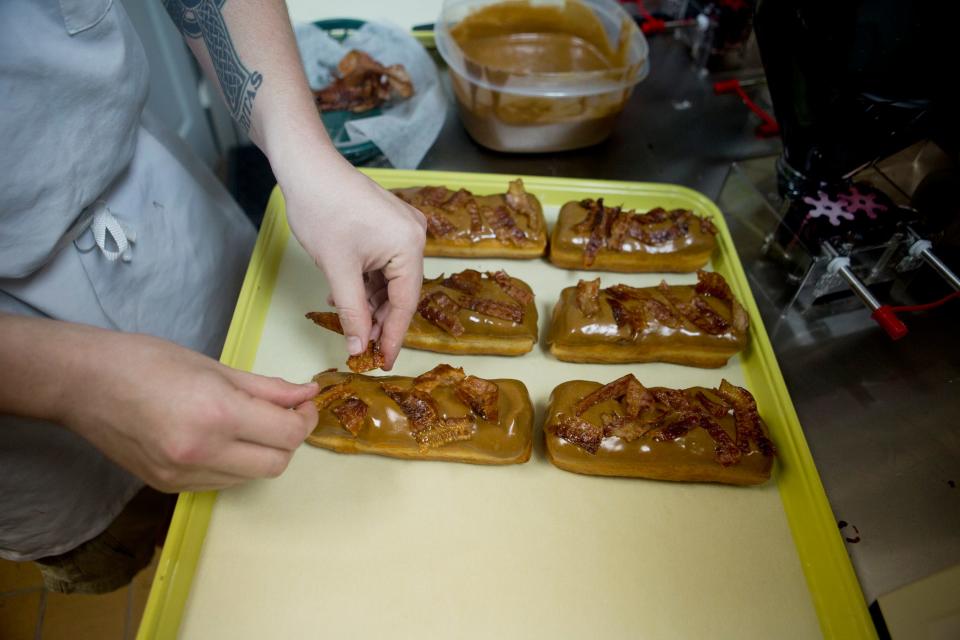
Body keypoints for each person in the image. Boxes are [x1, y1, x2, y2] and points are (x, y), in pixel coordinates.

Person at [0, 0, 426, 593]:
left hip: (155, 210)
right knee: (142, 552)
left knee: (258, 520)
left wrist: (303, 154)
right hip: (20, 411)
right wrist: (70, 382)